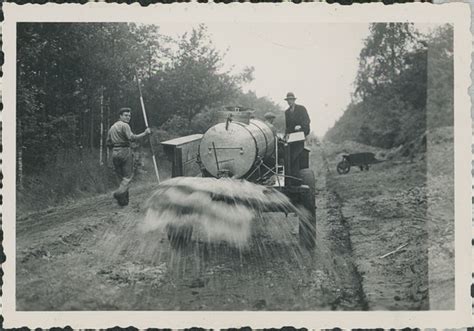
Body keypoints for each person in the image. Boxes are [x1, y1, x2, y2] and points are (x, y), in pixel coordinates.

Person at [106, 107, 151, 206]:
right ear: (120, 116)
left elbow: (108, 142)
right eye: (126, 115)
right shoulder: (125, 125)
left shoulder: (112, 127)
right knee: (127, 177)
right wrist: (145, 133)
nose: (128, 117)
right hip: (125, 151)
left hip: (115, 152)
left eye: (129, 116)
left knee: (120, 177)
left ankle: (123, 202)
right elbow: (131, 138)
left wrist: (114, 151)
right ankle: (118, 193)